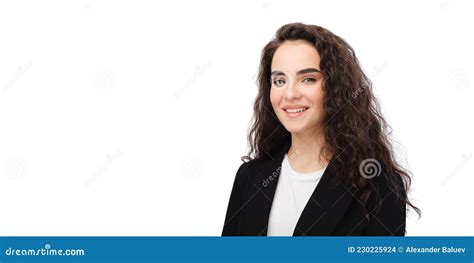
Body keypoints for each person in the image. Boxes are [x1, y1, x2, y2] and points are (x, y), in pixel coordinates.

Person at [222, 22, 420, 236]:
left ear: (336, 88)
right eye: (279, 81)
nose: (289, 94)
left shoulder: (378, 185)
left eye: (308, 79)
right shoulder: (250, 177)